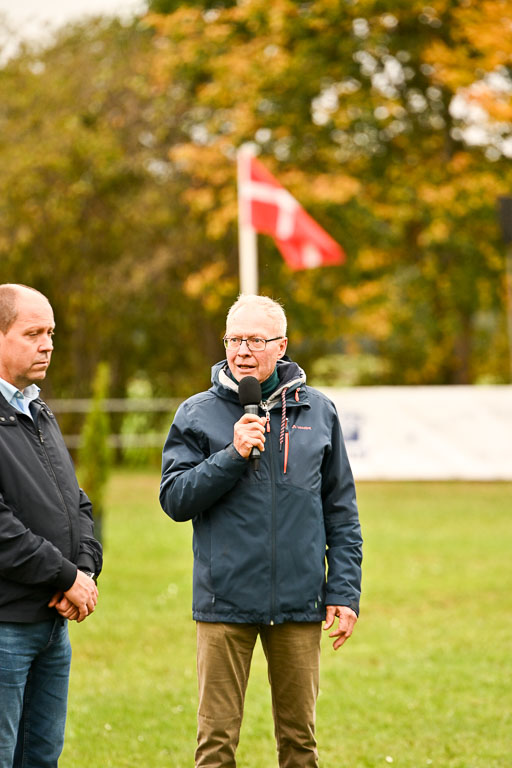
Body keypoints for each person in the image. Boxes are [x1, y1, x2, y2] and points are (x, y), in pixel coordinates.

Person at [160, 293, 362, 768]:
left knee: (299, 746)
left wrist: (345, 591)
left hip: (299, 604)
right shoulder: (195, 414)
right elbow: (175, 499)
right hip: (223, 603)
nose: (242, 350)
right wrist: (231, 456)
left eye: (255, 339)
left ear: (282, 345)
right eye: (234, 338)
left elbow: (342, 511)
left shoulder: (320, 412)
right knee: (215, 747)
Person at [0, 283, 103, 768]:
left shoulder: (38, 409)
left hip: (51, 625)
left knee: (41, 758)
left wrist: (84, 571)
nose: (48, 345)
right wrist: (66, 577)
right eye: (33, 333)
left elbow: (76, 503)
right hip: (6, 626)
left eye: (52, 333)